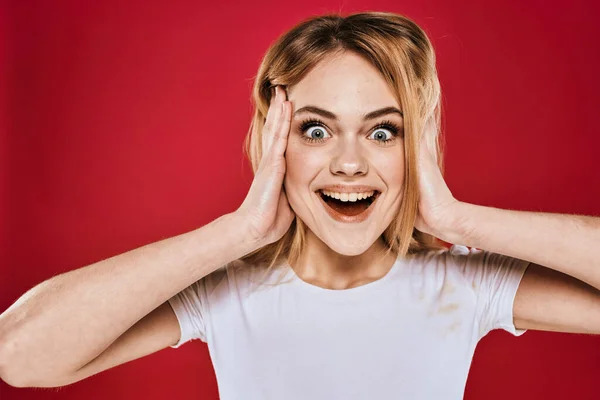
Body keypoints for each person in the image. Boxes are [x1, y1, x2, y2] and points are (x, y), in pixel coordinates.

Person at [1, 11, 599, 399]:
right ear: (274, 143)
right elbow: (19, 355)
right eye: (315, 130)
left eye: (383, 131)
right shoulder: (225, 291)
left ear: (416, 145)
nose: (348, 162)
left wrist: (453, 218)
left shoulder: (464, 284)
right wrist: (237, 233)